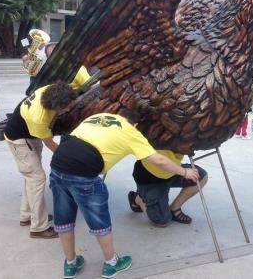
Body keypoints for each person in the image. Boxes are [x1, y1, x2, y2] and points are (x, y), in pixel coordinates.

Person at [49, 111, 200, 278]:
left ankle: (70, 264)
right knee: (98, 220)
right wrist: (184, 172)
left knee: (64, 217)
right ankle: (112, 264)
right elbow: (159, 160)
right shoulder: (131, 131)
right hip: (84, 172)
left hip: (58, 164)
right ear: (136, 124)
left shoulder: (100, 115)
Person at [3, 82, 77, 239]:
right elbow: (50, 143)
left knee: (31, 178)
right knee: (37, 178)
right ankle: (39, 227)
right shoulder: (39, 117)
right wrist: (68, 158)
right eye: (65, 107)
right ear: (56, 105)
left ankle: (28, 215)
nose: (68, 109)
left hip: (29, 135)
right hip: (19, 141)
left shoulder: (49, 90)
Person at [128, 149, 208, 227]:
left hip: (172, 169)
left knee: (200, 176)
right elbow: (160, 160)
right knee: (161, 220)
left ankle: (174, 208)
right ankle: (138, 198)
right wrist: (185, 172)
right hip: (151, 177)